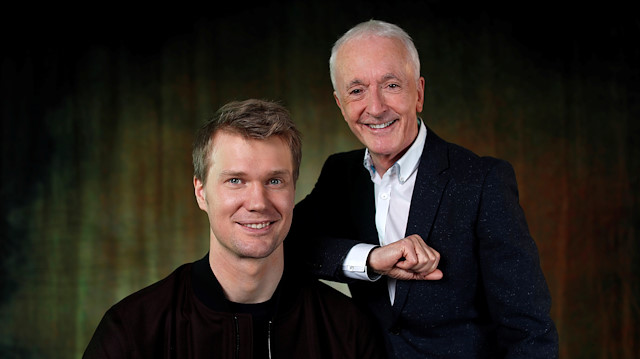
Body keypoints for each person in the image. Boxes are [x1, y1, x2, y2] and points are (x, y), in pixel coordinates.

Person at [288, 20, 559, 358]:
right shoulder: (340, 174)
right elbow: (287, 244)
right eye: (356, 90)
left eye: (391, 85)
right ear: (340, 104)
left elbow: (529, 332)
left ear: (418, 93)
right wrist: (371, 259)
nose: (375, 107)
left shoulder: (481, 181)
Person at [84, 99, 385, 359]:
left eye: (275, 181)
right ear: (201, 193)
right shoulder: (133, 330)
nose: (258, 202)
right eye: (235, 180)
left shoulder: (347, 332)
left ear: (294, 189)